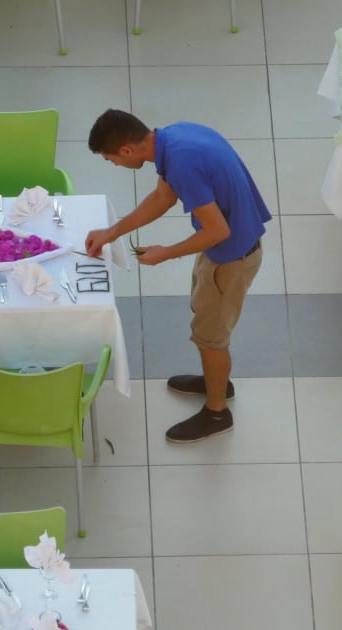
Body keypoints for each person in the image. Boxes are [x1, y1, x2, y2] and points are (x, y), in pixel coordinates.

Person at [84, 109, 271, 443]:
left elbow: (217, 230)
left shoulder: (182, 163)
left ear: (127, 150)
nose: (114, 165)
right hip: (223, 250)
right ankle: (214, 380)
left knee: (211, 338)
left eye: (111, 160)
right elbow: (162, 198)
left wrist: (166, 253)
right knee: (204, 323)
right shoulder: (175, 138)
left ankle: (217, 411)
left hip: (232, 258)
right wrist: (111, 232)